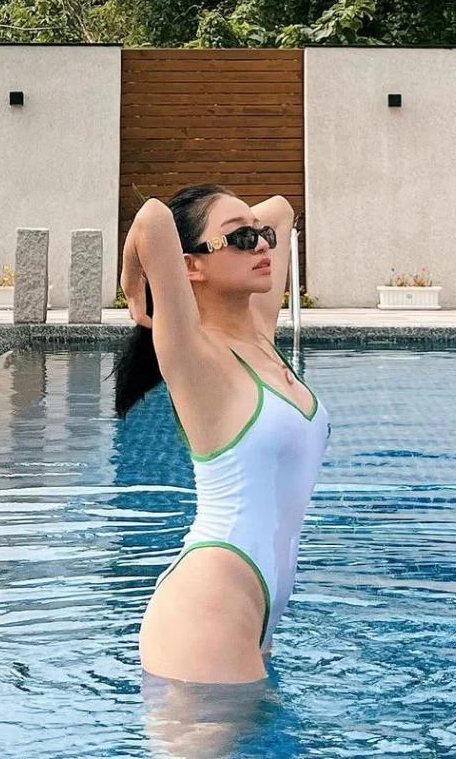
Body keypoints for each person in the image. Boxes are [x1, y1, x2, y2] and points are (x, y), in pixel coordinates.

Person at [115, 184, 332, 690]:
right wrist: (133, 279)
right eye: (241, 240)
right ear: (191, 266)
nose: (262, 245)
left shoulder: (259, 334)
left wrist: (235, 230)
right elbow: (152, 218)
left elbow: (281, 209)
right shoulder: (194, 354)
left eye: (261, 236)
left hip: (255, 609)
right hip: (207, 609)